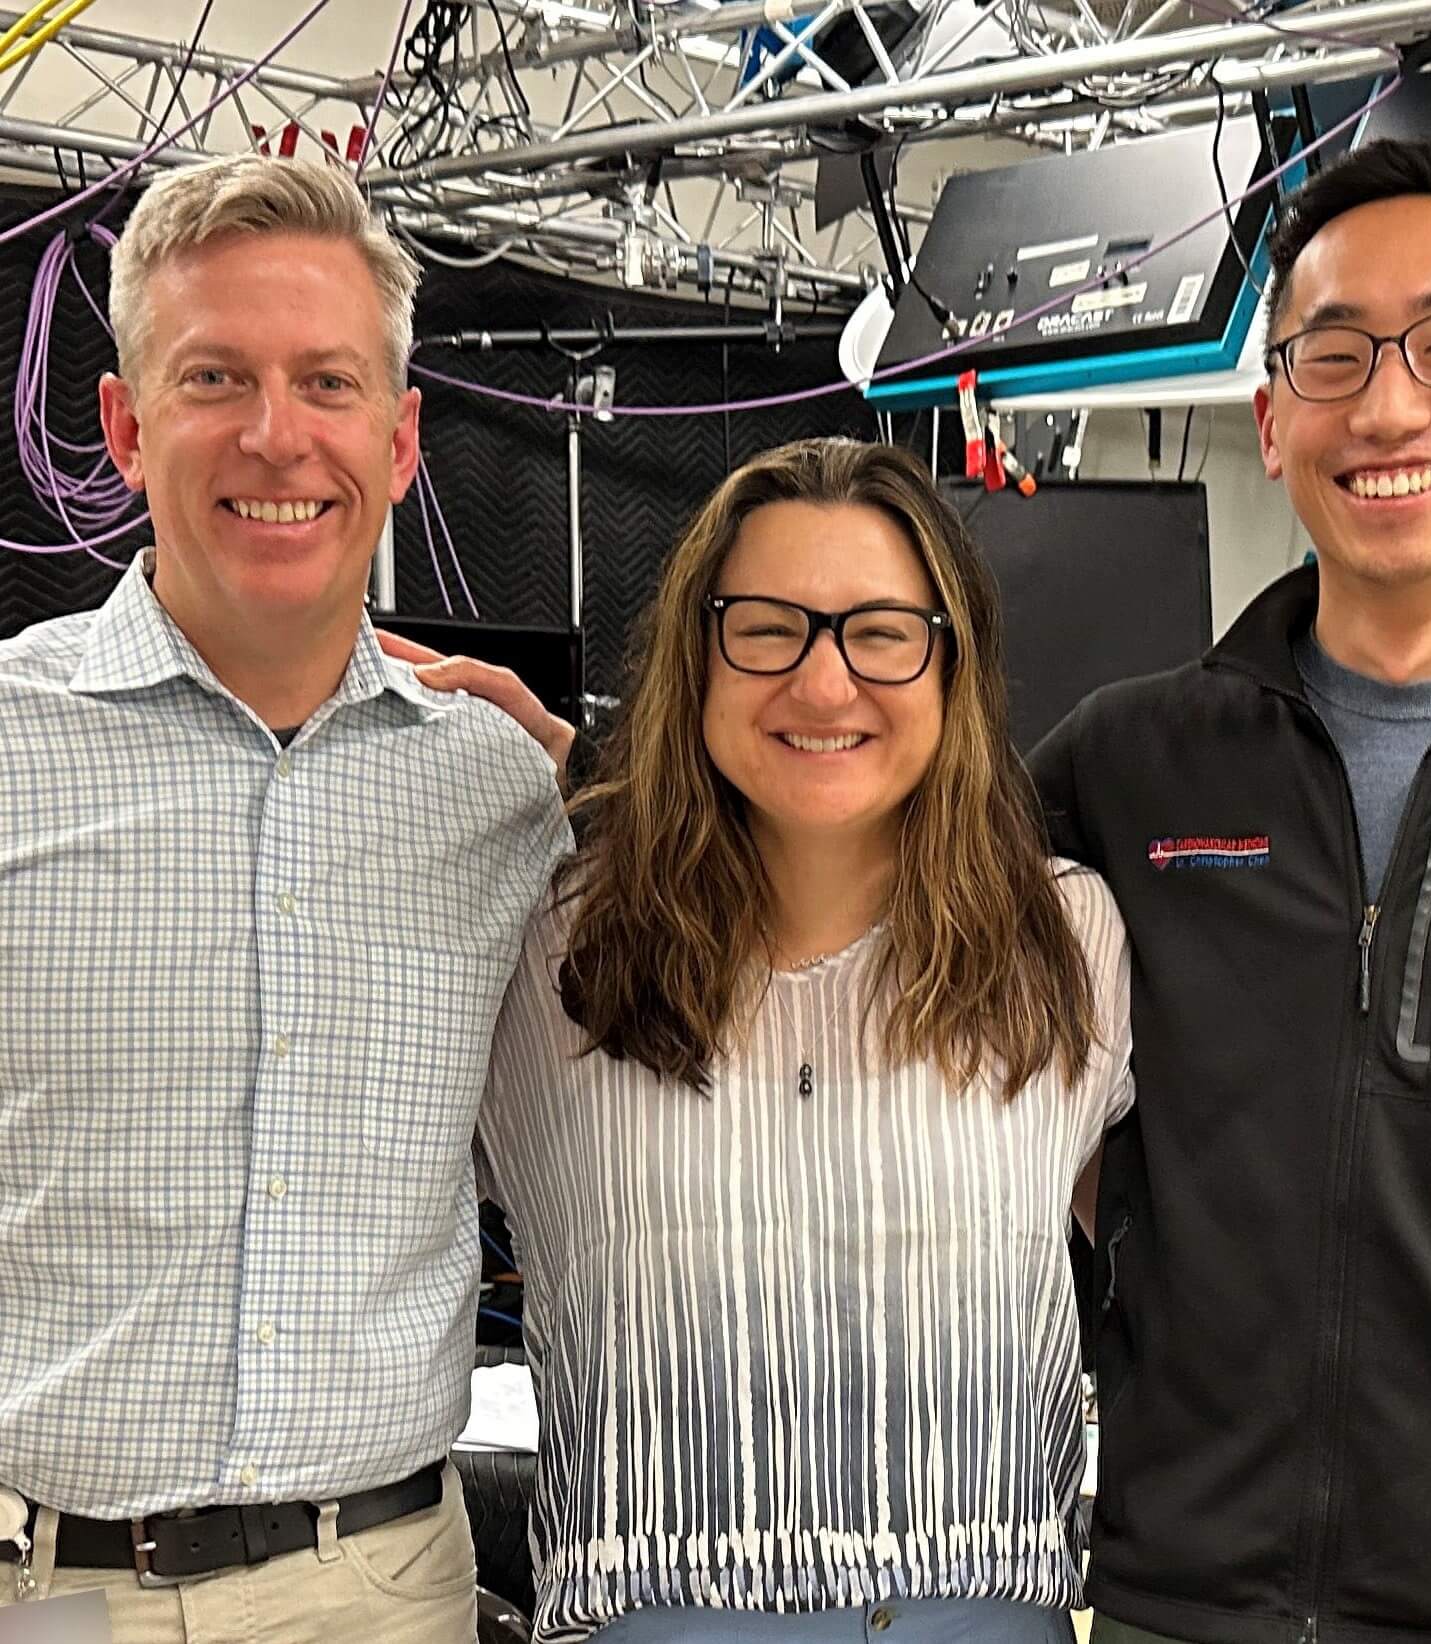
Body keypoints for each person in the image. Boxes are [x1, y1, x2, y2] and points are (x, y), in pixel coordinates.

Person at [1030, 138, 1431, 1643]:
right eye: (1333, 354)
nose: (1386, 404)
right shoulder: (1127, 764)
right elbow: (847, 879)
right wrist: (607, 801)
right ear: (1271, 416)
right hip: (1189, 1599)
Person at [0, 155, 566, 1641]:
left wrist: (617, 796)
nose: (275, 434)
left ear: (401, 439)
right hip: (43, 1585)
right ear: (125, 426)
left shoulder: (504, 793)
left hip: (378, 1589)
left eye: (328, 382)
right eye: (213, 378)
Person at [468, 436, 1133, 1642]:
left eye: (881, 630)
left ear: (953, 662)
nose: (825, 686)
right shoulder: (548, 954)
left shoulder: (1069, 945)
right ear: (698, 652)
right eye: (769, 627)